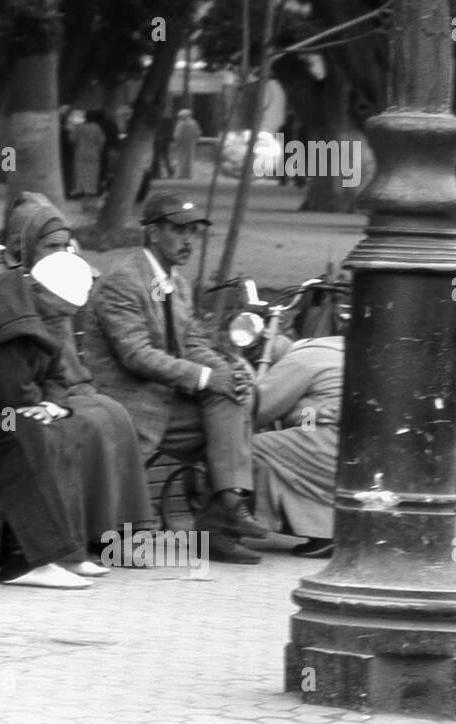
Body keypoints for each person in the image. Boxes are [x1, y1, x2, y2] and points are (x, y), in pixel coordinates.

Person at [82, 192, 268, 564]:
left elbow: (192, 341)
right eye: (179, 230)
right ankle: (227, 507)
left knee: (231, 395)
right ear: (152, 232)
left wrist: (226, 374)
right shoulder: (124, 281)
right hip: (125, 405)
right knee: (219, 394)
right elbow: (137, 355)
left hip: (164, 407)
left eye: (194, 232)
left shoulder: (177, 284)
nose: (188, 241)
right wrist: (203, 377)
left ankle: (223, 514)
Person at [0, 246, 104, 589]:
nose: (62, 321)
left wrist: (52, 406)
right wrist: (38, 407)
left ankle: (67, 552)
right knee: (23, 433)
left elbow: (57, 376)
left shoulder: (44, 310)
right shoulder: (6, 319)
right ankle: (32, 561)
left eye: (67, 314)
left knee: (71, 426)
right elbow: (6, 394)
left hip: (4, 407)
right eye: (60, 312)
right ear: (41, 293)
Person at [4, 193, 156, 549]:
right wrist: (58, 395)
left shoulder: (57, 281)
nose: (60, 254)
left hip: (61, 388)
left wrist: (75, 388)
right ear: (24, 244)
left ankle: (126, 529)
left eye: (65, 245)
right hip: (26, 393)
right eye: (50, 245)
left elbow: (67, 357)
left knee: (115, 414)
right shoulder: (13, 286)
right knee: (92, 421)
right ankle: (96, 534)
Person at [251, 335, 344, 558]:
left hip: (331, 443)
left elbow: (261, 408)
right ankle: (323, 532)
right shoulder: (338, 348)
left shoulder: (299, 361)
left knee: (250, 447)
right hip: (353, 446)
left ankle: (256, 522)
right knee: (286, 449)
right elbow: (308, 418)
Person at [70, 113, 105, 198]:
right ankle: (90, 191)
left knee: (80, 172)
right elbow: (102, 140)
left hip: (80, 153)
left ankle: (80, 190)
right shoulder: (97, 127)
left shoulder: (79, 127)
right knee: (92, 172)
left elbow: (72, 139)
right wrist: (98, 149)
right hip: (93, 153)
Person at [172, 109, 201, 181]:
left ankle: (180, 174)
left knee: (181, 159)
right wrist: (195, 140)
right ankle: (188, 174)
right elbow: (197, 133)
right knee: (189, 159)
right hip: (190, 144)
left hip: (182, 144)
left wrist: (176, 143)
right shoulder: (193, 123)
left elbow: (177, 136)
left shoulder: (180, 124)